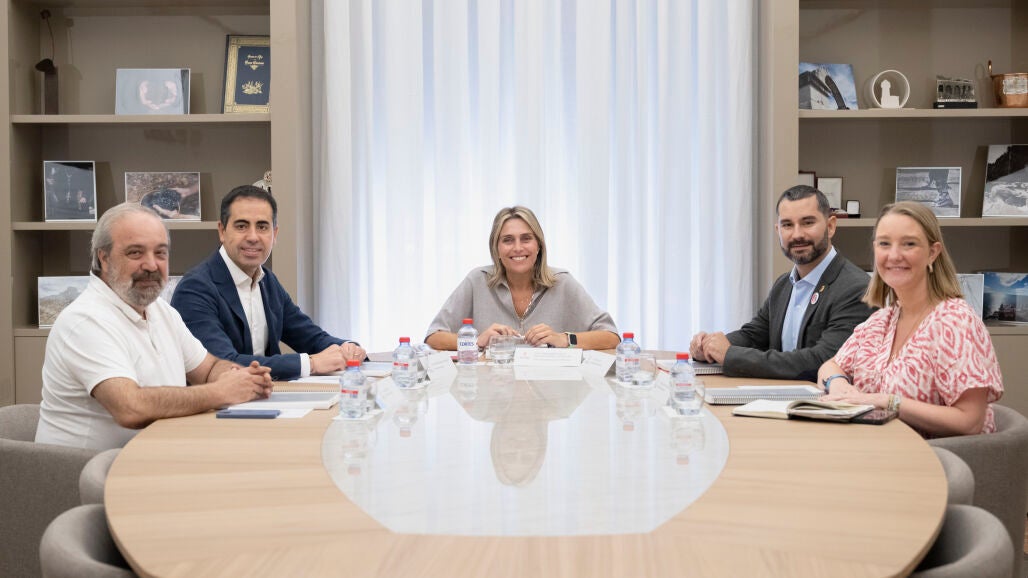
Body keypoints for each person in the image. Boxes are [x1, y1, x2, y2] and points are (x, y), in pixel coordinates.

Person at [36, 204, 274, 451]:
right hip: (92, 468)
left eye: (160, 253)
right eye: (135, 253)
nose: (151, 265)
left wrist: (243, 378)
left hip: (152, 456)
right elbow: (130, 408)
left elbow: (208, 368)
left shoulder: (160, 310)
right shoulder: (85, 321)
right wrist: (220, 392)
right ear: (104, 259)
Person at [820, 202, 1003, 437]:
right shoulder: (882, 320)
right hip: (878, 448)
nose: (894, 255)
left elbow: (969, 421)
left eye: (909, 244)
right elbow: (830, 366)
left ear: (933, 252)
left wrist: (885, 401)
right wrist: (838, 384)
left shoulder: (955, 322)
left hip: (938, 456)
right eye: (884, 243)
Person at [171, 185, 365, 381]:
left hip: (266, 395)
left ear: (275, 234)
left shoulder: (267, 281)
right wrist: (311, 363)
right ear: (222, 231)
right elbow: (223, 365)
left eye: (262, 227)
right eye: (241, 226)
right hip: (219, 400)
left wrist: (347, 348)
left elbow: (309, 337)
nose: (253, 237)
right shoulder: (195, 289)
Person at [690, 185, 873, 381]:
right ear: (778, 230)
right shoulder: (784, 284)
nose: (797, 234)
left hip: (824, 399)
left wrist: (729, 355)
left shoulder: (856, 288)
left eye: (808, 223)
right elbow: (754, 336)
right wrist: (709, 347)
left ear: (830, 226)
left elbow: (822, 360)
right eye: (787, 225)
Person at [425, 206, 619, 350]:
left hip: (550, 390)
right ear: (496, 249)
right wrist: (477, 341)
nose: (517, 248)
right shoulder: (477, 281)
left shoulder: (562, 282)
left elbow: (612, 337)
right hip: (491, 390)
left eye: (526, 238)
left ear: (538, 246)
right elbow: (433, 337)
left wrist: (564, 339)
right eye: (508, 240)